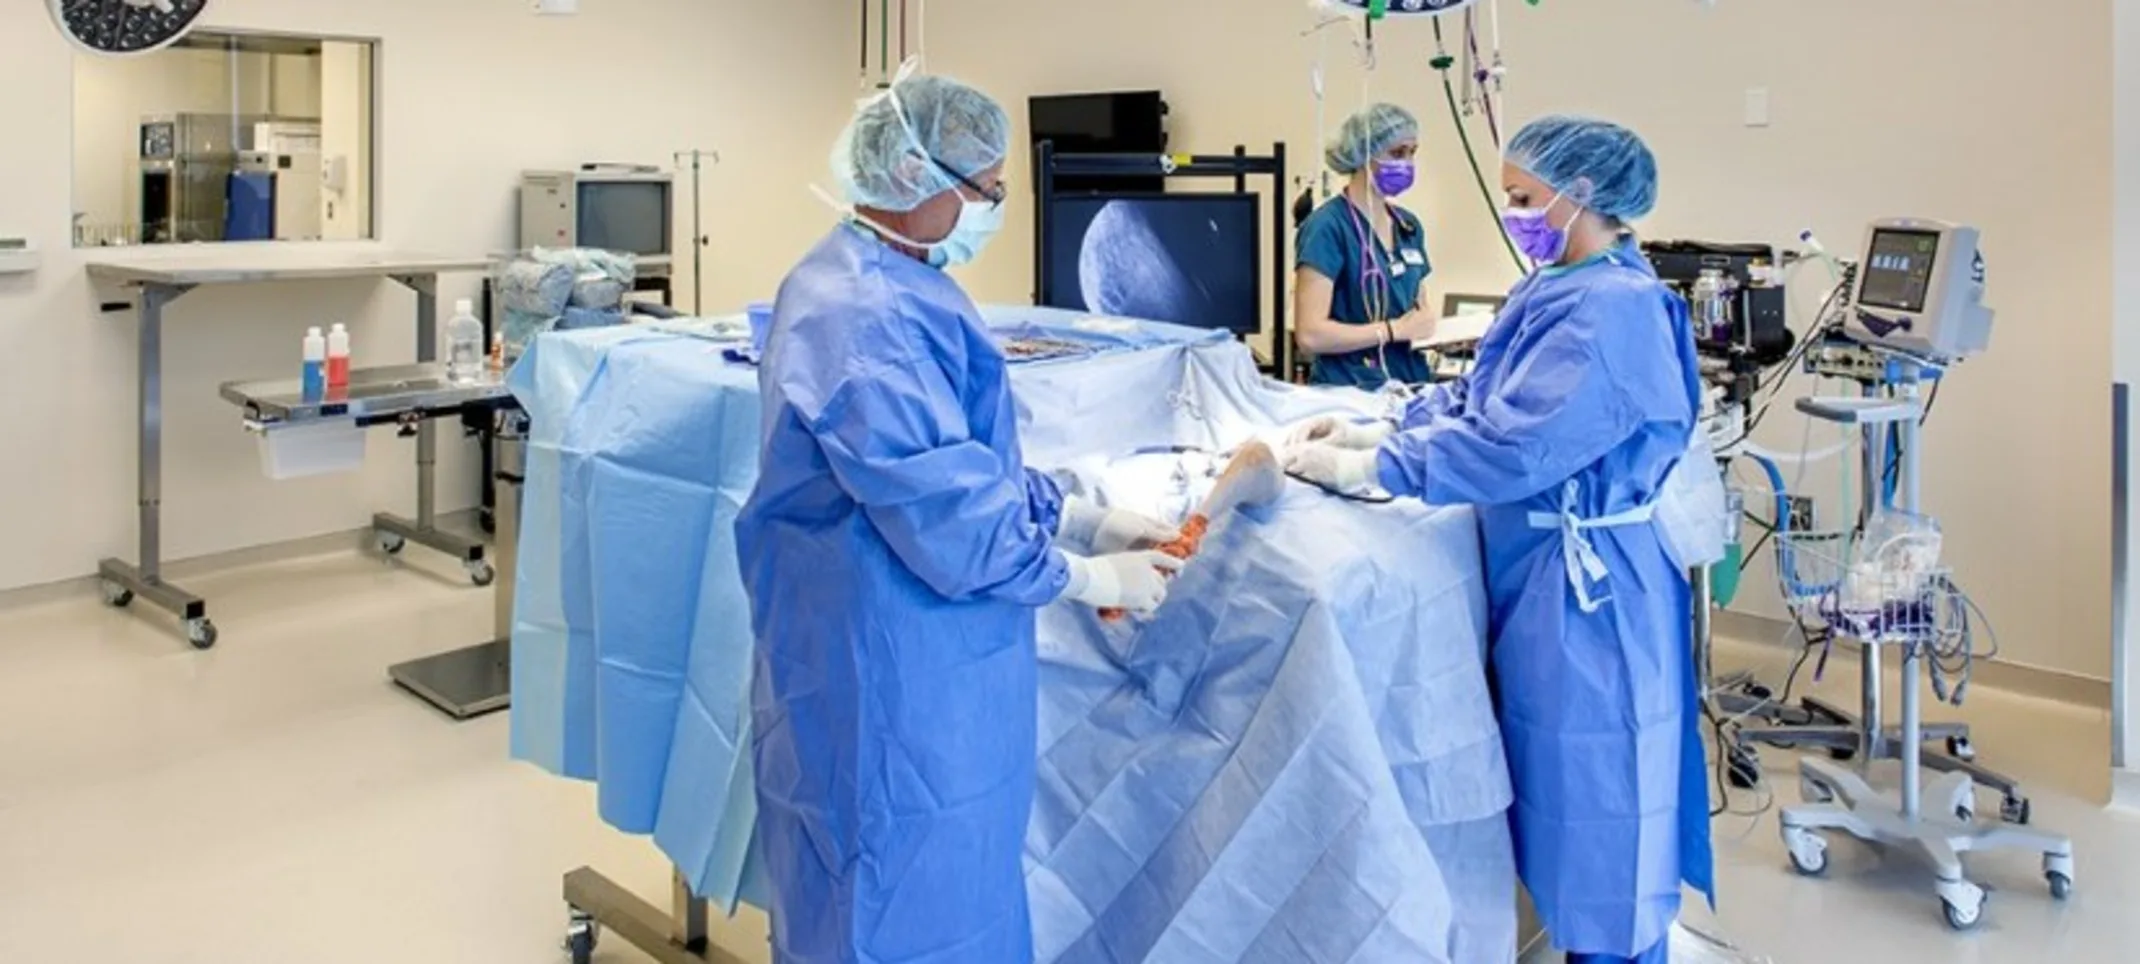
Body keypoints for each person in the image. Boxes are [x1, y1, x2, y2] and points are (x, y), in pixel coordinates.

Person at [734, 69, 1184, 964]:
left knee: (948, 886)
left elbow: (958, 458)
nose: (992, 209)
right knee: (890, 896)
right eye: (986, 189)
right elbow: (945, 512)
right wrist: (1085, 575)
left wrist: (1078, 518)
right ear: (914, 173)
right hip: (884, 664)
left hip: (915, 655)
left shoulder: (888, 280)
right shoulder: (863, 315)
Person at [1285, 115, 1715, 964]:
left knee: (1606, 801)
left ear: (1580, 193)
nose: (1513, 213)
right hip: (1541, 579)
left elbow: (1519, 446)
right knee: (1556, 791)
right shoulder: (1552, 287)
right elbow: (1482, 397)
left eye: (1522, 197)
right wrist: (1388, 425)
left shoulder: (1616, 310)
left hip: (1596, 599)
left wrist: (1381, 466)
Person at [1294, 102, 1439, 388]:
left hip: (1408, 385)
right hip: (1348, 390)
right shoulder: (1327, 227)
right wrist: (1391, 331)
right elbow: (1310, 335)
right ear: (1363, 154)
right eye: (1397, 153)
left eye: (1412, 153)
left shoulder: (1408, 226)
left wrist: (1434, 334)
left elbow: (1417, 313)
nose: (1407, 163)